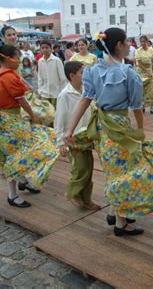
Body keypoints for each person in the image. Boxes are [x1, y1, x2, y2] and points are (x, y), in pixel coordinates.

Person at [63, 28, 153, 237]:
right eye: (126, 42)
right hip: (119, 127)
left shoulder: (92, 71)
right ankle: (121, 223)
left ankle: (117, 211)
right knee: (125, 172)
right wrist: (140, 131)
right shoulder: (129, 74)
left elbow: (85, 99)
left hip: (101, 127)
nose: (129, 46)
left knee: (112, 170)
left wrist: (70, 129)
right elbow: (136, 107)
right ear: (118, 45)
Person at [0, 43, 59, 208]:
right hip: (12, 122)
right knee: (22, 153)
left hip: (3, 120)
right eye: (16, 57)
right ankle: (13, 194)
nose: (18, 60)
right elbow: (21, 100)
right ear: (7, 59)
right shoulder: (9, 76)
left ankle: (23, 182)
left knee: (16, 153)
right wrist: (32, 115)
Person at [54, 61, 100, 211]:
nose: (85, 75)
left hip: (87, 137)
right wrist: (61, 143)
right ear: (72, 76)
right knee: (80, 168)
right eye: (82, 73)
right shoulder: (65, 95)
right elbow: (59, 121)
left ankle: (86, 199)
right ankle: (73, 192)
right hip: (72, 139)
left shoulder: (87, 90)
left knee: (89, 167)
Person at [37, 40, 67, 108]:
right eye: (43, 48)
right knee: (46, 115)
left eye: (47, 47)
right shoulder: (40, 61)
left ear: (51, 48)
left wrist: (62, 92)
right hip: (44, 93)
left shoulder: (57, 60)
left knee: (56, 113)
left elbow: (62, 78)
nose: (45, 49)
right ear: (40, 49)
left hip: (56, 93)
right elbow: (40, 77)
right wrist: (40, 90)